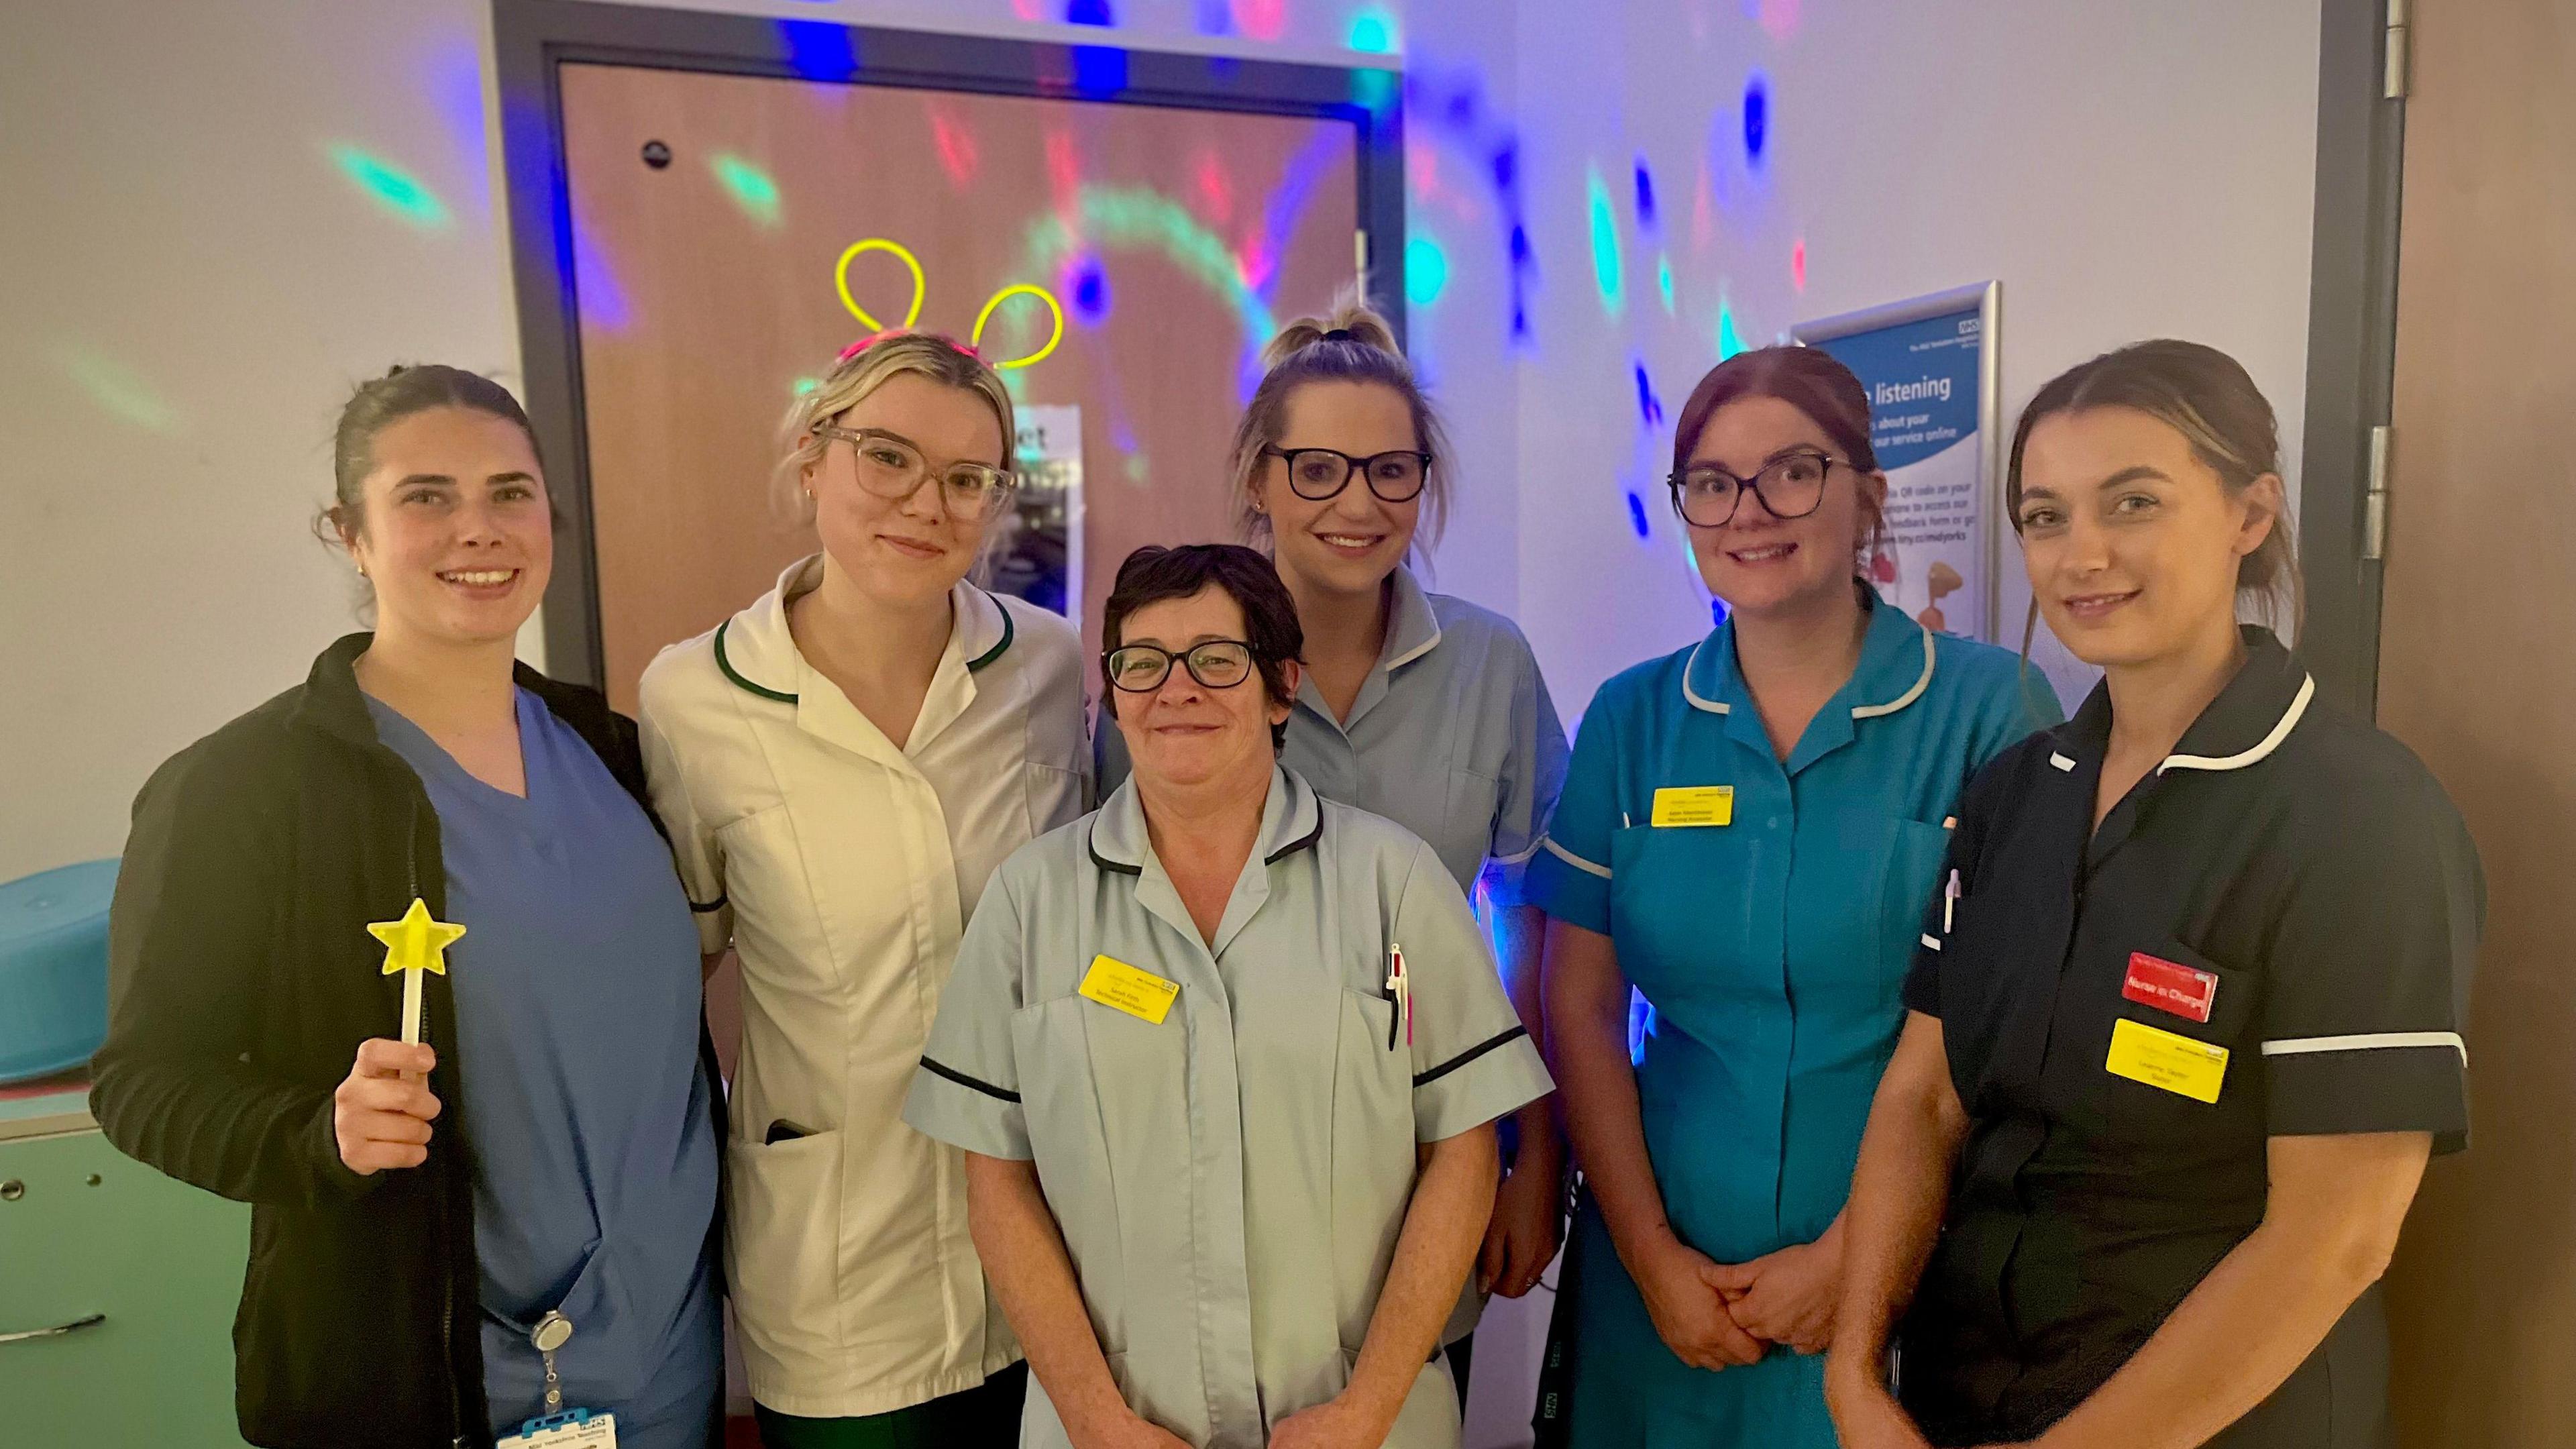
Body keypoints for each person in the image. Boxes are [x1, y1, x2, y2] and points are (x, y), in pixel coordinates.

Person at [1827, 340, 2483, 1449]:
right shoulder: (2015, 797)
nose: (2084, 554)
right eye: (2045, 517)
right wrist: (1853, 1370)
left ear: (2250, 513)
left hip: (2219, 1419)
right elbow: (1925, 1098)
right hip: (1959, 1397)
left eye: (2132, 502)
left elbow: (2337, 1235)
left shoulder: (2361, 817)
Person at [91, 366, 724, 1448]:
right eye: (426, 496)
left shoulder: (607, 748)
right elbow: (142, 1083)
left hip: (670, 1366)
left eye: (510, 493)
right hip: (430, 1386)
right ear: (350, 532)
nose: (477, 529)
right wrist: (315, 1135)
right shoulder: (247, 789)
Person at [904, 543, 1554, 1449]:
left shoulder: (1393, 881)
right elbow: (996, 1183)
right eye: (1143, 663)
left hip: (1360, 1421)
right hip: (1115, 1426)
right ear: (1115, 692)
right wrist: (1094, 1419)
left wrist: (1368, 1408)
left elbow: (1464, 1153)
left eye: (1217, 660)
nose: (1177, 690)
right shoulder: (1030, 901)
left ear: (1282, 687)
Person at [1526, 346, 2059, 1447]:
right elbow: (1576, 1002)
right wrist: (1648, 1256)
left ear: (1867, 492)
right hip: (1662, 1276)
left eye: (1794, 472)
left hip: (1902, 1275)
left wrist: (1855, 1259)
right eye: (1712, 483)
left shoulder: (1989, 707)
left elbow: (2009, 1025)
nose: (1749, 511)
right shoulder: (1633, 720)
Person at [1095, 299, 1571, 1393]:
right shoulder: (1176, 678)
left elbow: (1537, 924)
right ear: (1259, 480)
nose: (1356, 504)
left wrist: (1533, 1156)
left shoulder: (1489, 666)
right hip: (1208, 1149)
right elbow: (1111, 912)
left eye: (1391, 471)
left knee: (1396, 1400)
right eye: (1317, 469)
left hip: (1429, 1151)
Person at [637, 331, 1089, 1445]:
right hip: (838, 1250)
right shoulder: (696, 695)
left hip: (1051, 1227)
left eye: (967, 478)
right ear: (812, 458)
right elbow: (679, 971)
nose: (925, 504)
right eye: (886, 457)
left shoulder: (1047, 667)